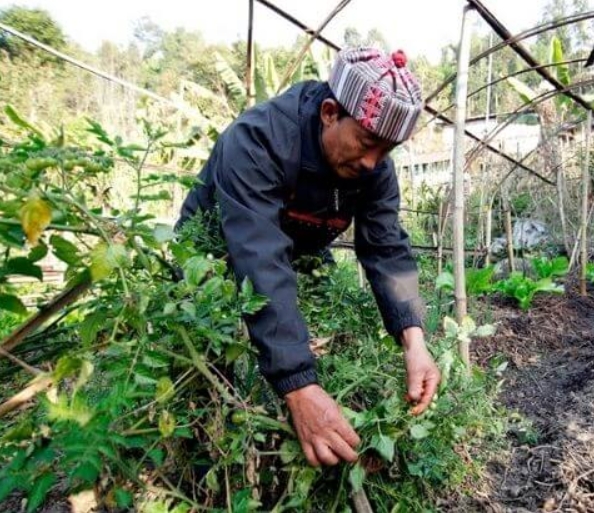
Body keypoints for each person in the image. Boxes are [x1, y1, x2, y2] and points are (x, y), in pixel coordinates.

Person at [176, 47, 441, 467]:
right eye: (368, 143)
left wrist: (414, 338)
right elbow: (260, 260)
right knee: (211, 364)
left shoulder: (373, 168)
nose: (373, 163)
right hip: (215, 254)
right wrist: (298, 385)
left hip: (301, 249)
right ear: (330, 112)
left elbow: (387, 247)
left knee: (316, 336)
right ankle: (208, 455)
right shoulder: (258, 140)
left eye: (387, 151)